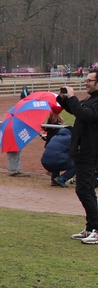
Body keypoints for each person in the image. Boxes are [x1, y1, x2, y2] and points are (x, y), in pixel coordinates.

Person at [58, 69, 98, 243]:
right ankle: (91, 228)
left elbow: (85, 115)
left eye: (89, 80)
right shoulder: (91, 99)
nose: (85, 83)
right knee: (86, 190)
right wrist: (64, 99)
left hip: (90, 153)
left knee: (84, 190)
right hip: (83, 152)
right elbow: (77, 111)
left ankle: (96, 229)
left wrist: (73, 98)